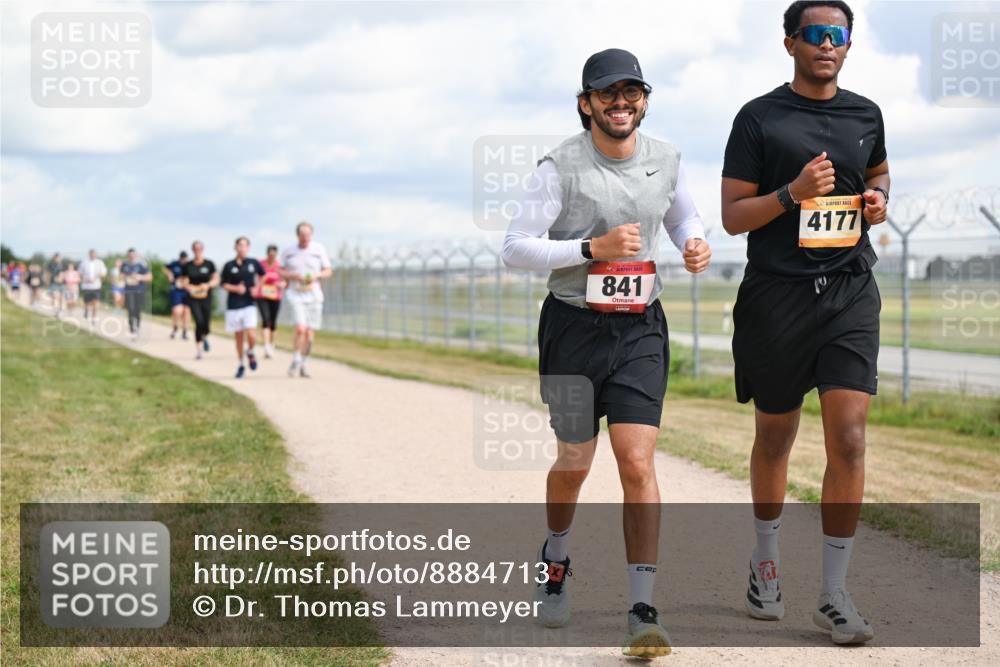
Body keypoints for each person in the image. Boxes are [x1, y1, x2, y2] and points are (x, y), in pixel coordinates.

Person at [501, 48, 711, 659]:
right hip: (572, 328)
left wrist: (694, 242)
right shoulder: (559, 166)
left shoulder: (665, 158)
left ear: (644, 100)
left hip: (640, 326)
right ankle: (556, 556)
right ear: (586, 103)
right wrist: (591, 249)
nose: (621, 102)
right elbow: (515, 247)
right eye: (608, 93)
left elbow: (683, 215)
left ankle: (642, 611)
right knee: (574, 459)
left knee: (637, 462)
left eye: (632, 92)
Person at [720, 0, 888, 646]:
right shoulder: (758, 118)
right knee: (775, 437)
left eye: (837, 35)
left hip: (849, 290)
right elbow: (733, 216)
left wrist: (878, 199)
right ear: (789, 42)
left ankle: (834, 593)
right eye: (815, 34)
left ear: (848, 44)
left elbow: (879, 172)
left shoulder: (866, 114)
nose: (827, 44)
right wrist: (792, 193)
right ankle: (765, 562)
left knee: (849, 437)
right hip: (777, 297)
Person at [279, 222, 331, 378]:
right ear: (298, 235)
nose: (305, 237)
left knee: (309, 333)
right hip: (296, 295)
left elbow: (328, 271)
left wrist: (317, 276)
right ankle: (296, 358)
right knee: (300, 329)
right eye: (303, 235)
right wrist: (292, 275)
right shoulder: (289, 252)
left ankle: (304, 362)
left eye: (308, 234)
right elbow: (280, 271)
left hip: (314, 295)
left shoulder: (318, 250)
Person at [221, 237, 264, 378]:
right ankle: (241, 364)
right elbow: (223, 284)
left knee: (251, 333)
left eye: (245, 245)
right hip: (234, 305)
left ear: (248, 248)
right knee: (239, 337)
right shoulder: (229, 265)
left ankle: (250, 351)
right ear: (235, 247)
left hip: (249, 303)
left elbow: (263, 276)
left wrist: (257, 288)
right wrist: (236, 288)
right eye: (240, 245)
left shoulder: (253, 263)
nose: (242, 248)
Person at [182, 241, 218, 360]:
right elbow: (184, 280)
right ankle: (199, 350)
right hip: (193, 297)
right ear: (193, 250)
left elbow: (216, 279)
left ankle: (205, 336)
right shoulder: (188, 265)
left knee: (206, 322)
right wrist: (188, 286)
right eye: (195, 249)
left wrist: (208, 285)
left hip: (206, 297)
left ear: (202, 249)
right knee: (198, 321)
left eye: (199, 248)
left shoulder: (209, 264)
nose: (197, 251)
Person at [255, 244, 284, 358]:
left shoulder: (279, 266)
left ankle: (272, 344)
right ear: (267, 254)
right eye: (270, 255)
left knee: (273, 322)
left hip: (275, 296)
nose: (272, 257)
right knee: (265, 320)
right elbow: (256, 278)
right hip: (262, 295)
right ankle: (266, 346)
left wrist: (281, 284)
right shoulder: (260, 264)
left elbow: (285, 281)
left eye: (274, 255)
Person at [119, 249, 152, 340]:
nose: (131, 257)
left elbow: (149, 277)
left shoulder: (141, 265)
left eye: (133, 255)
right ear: (127, 256)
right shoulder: (124, 265)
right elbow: (120, 276)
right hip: (128, 291)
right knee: (130, 309)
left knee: (137, 310)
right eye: (130, 255)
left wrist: (140, 277)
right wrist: (125, 277)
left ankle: (137, 328)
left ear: (136, 255)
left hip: (139, 290)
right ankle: (131, 329)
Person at [162, 251, 191, 339]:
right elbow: (164, 267)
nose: (183, 260)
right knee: (176, 310)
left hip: (186, 290)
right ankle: (175, 328)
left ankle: (185, 331)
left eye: (185, 259)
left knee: (186, 311)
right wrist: (169, 274)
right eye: (182, 259)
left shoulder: (190, 265)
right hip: (176, 289)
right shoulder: (174, 264)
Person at [79, 249, 107, 326]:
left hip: (96, 286)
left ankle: (94, 318)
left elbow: (103, 273)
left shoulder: (100, 263)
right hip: (86, 286)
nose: (93, 256)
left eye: (94, 254)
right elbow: (80, 273)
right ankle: (86, 310)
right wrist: (85, 279)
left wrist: (100, 276)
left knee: (95, 302)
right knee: (87, 302)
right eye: (91, 254)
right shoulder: (84, 263)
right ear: (89, 255)